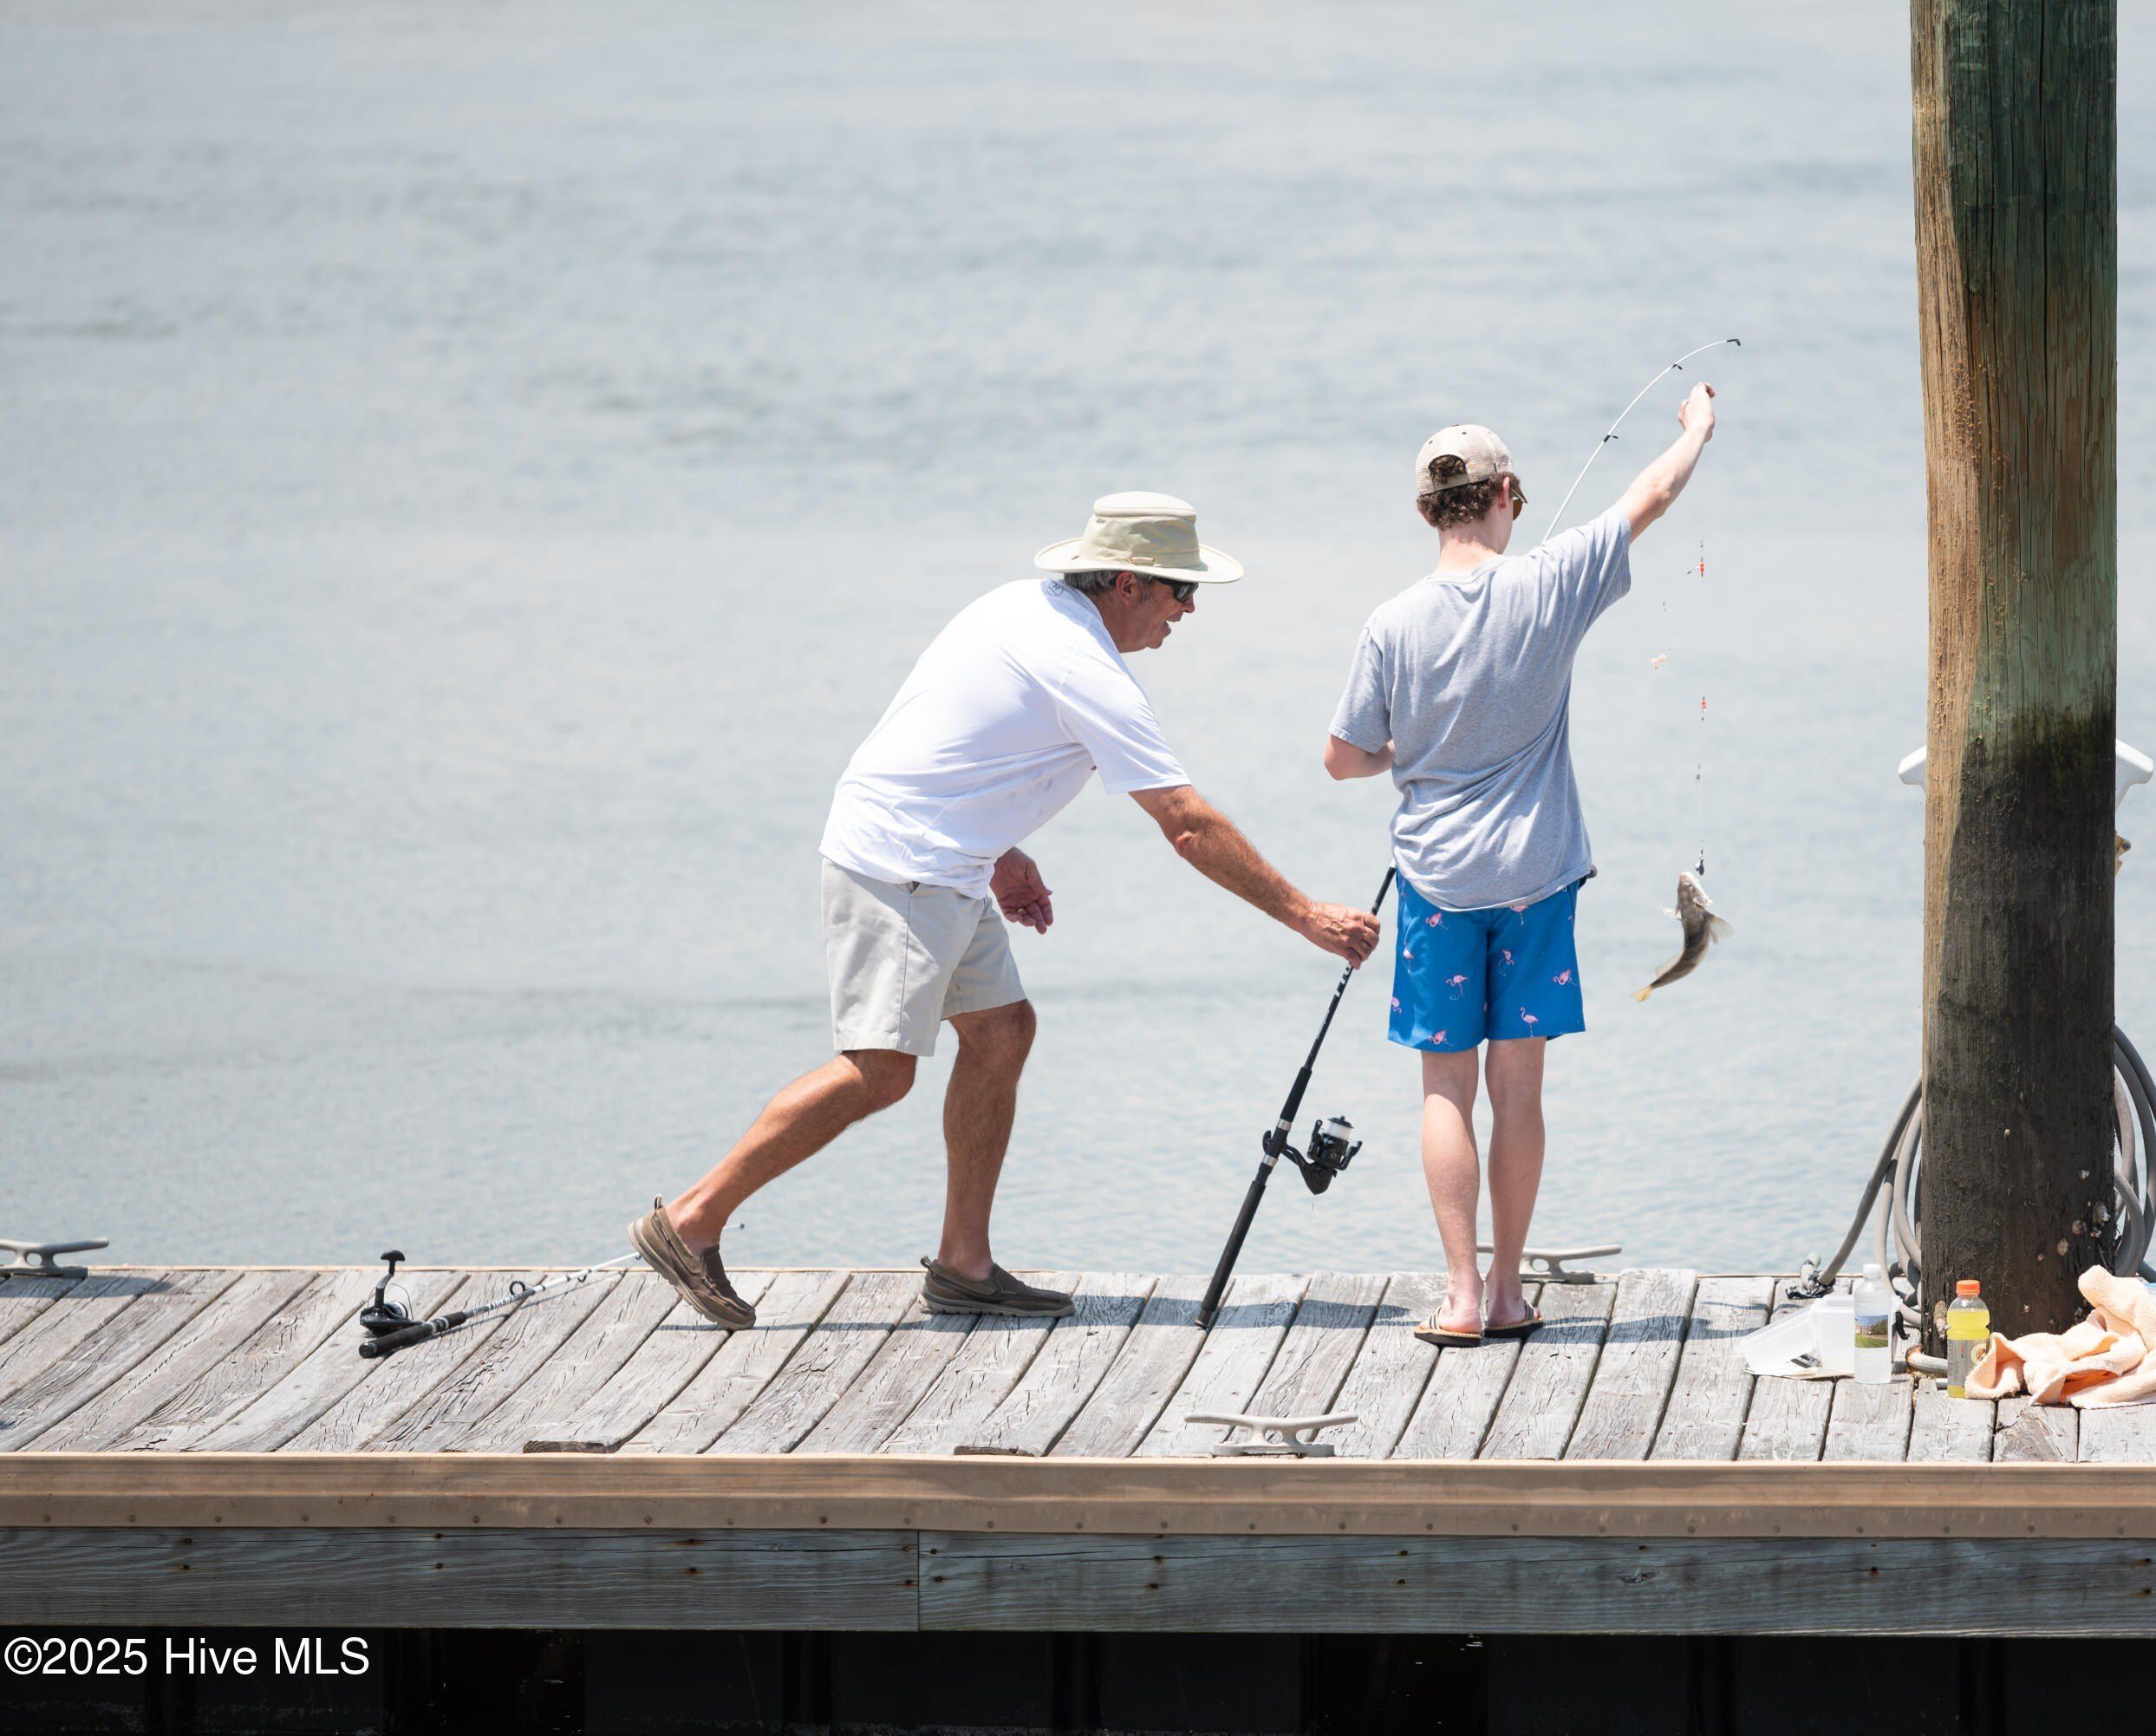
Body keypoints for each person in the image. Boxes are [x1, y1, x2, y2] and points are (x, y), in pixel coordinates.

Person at [630, 493, 1381, 1328]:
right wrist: (1306, 915)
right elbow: (1189, 825)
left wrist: (1004, 851)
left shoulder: (1022, 607)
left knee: (1001, 1032)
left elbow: (959, 745)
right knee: (879, 1070)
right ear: (1129, 584)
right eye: (1180, 589)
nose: (1191, 609)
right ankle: (693, 1220)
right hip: (902, 866)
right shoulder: (1081, 664)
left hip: (944, 859)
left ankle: (964, 1264)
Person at [1325, 386, 1717, 1346]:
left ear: (1426, 511)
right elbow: (1649, 498)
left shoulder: (1391, 623)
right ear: (1508, 494)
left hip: (1437, 886)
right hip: (1538, 882)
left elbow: (1342, 757)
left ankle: (1458, 1296)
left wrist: (1403, 757)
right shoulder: (1551, 582)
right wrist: (1698, 427)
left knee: (1444, 1091)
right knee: (1520, 1091)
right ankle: (1506, 1292)